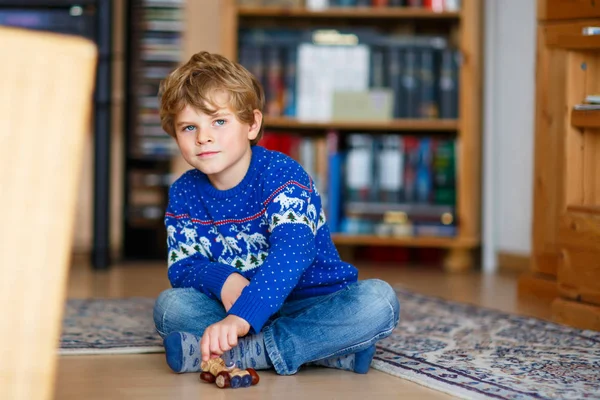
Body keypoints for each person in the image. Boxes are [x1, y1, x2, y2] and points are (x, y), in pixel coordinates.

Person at [152, 51, 400, 376]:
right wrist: (224, 281)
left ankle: (251, 352)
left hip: (310, 302)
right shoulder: (184, 191)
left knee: (379, 302)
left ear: (252, 124)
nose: (203, 137)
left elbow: (293, 251)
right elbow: (183, 266)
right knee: (169, 308)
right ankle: (326, 351)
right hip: (234, 303)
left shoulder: (282, 174)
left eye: (219, 121)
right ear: (174, 134)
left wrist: (243, 317)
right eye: (188, 127)